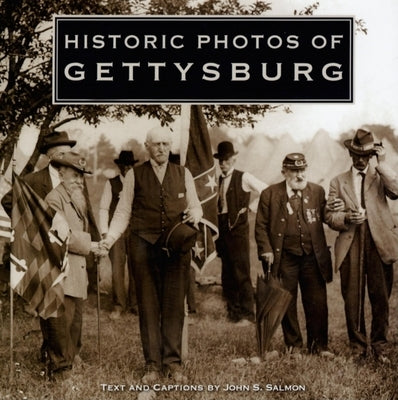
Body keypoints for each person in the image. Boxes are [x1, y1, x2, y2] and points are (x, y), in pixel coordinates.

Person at [100, 127, 202, 384]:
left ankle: (173, 363)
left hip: (176, 250)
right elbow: (123, 212)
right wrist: (110, 239)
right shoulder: (134, 175)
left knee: (175, 307)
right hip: (143, 247)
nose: (162, 149)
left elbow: (196, 206)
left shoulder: (184, 173)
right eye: (157, 144)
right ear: (147, 147)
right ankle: (152, 366)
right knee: (147, 307)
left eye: (166, 144)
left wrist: (196, 215)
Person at [325, 129, 398, 363]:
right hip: (351, 241)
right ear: (350, 153)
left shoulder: (380, 175)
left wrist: (383, 162)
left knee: (381, 297)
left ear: (372, 155)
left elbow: (396, 191)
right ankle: (357, 347)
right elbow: (329, 215)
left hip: (379, 243)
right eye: (356, 154)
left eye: (365, 155)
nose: (360, 159)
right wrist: (346, 218)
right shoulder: (338, 181)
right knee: (353, 297)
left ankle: (379, 346)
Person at [255, 153, 334, 356]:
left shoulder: (317, 191)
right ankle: (294, 346)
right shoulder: (270, 194)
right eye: (295, 171)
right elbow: (261, 226)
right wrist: (266, 249)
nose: (300, 175)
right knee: (287, 302)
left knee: (317, 301)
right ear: (284, 172)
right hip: (285, 257)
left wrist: (336, 209)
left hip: (312, 256)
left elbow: (326, 216)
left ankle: (319, 346)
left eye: (303, 170)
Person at [44, 151, 101, 379]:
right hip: (61, 270)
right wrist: (92, 246)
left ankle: (73, 357)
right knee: (61, 322)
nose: (79, 181)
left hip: (76, 270)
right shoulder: (54, 199)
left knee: (75, 318)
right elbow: (63, 235)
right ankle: (60, 369)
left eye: (81, 177)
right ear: (61, 174)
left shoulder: (75, 197)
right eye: (75, 176)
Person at [213, 141, 267, 326]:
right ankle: (233, 312)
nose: (223, 163)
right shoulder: (218, 180)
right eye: (220, 160)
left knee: (241, 271)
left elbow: (267, 191)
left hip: (238, 230)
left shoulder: (243, 177)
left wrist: (250, 208)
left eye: (226, 159)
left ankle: (247, 314)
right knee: (226, 273)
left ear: (234, 158)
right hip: (222, 229)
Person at [99, 150, 138, 320]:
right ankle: (118, 305)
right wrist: (105, 232)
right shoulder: (112, 183)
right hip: (117, 232)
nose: (127, 169)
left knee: (136, 268)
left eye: (130, 166)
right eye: (124, 166)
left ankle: (135, 304)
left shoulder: (138, 183)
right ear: (120, 167)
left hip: (135, 232)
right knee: (117, 269)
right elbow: (103, 209)